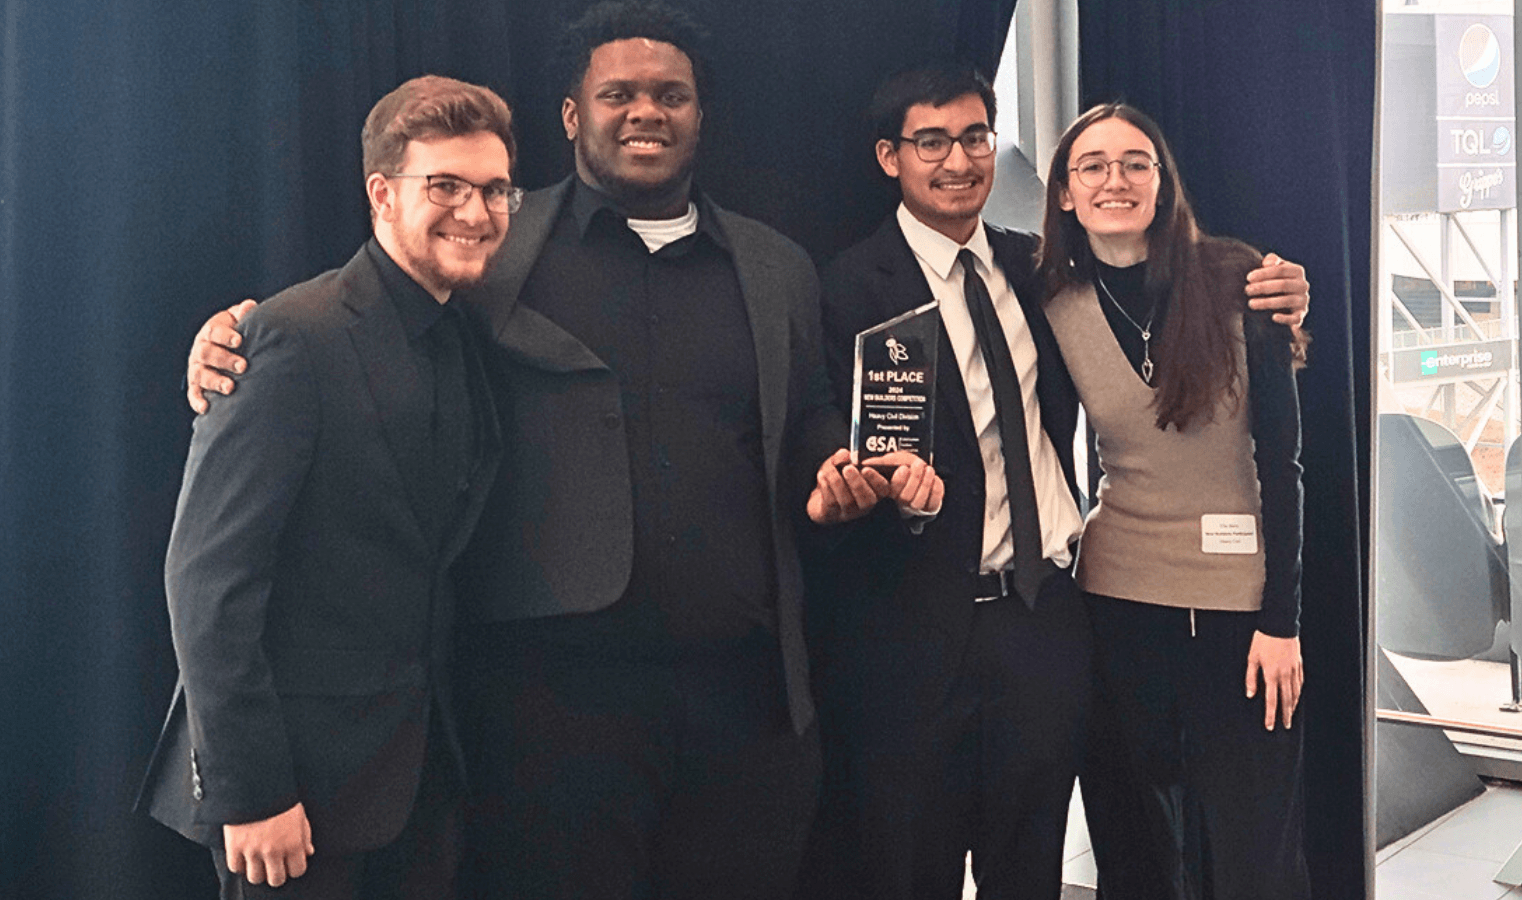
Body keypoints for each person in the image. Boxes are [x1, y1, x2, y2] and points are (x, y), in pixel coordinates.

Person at [183, 4, 939, 898]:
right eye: (618, 93)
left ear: (702, 115)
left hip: (744, 704)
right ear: (574, 116)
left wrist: (831, 472)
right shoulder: (489, 248)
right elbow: (368, 316)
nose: (646, 111)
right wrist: (235, 336)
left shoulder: (778, 267)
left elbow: (811, 411)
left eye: (671, 95)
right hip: (545, 715)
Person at [804, 68, 1309, 900]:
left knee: (1034, 862)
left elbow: (1222, 361)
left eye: (975, 138)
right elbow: (819, 421)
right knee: (922, 864)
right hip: (931, 624)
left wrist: (1288, 298)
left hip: (1047, 621)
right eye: (932, 142)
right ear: (890, 157)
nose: (959, 160)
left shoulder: (1034, 271)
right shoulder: (855, 286)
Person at [136, 76, 516, 899]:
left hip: (419, 781)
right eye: (443, 186)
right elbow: (205, 581)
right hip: (290, 797)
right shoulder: (286, 338)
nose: (475, 211)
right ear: (382, 194)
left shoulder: (470, 334)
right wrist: (253, 791)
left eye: (493, 190)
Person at [1035, 103, 1309, 900]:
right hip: (1113, 602)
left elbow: (1281, 461)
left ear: (1163, 182)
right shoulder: (1048, 296)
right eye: (1091, 165)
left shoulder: (1237, 277)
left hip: (1241, 611)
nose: (1113, 179)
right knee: (1134, 843)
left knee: (1254, 844)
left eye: (1135, 163)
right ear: (1063, 192)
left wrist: (1282, 622)